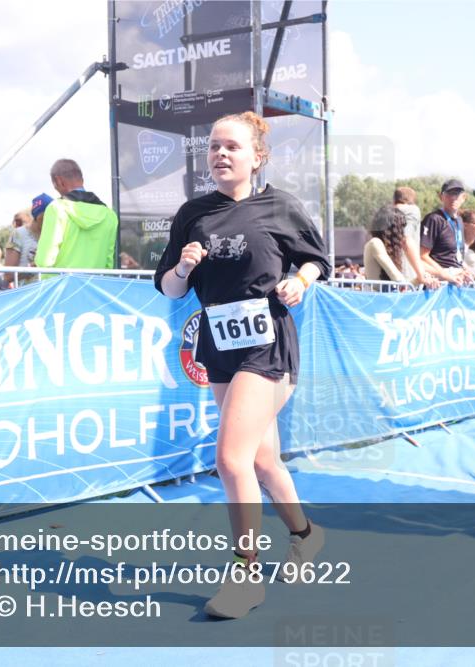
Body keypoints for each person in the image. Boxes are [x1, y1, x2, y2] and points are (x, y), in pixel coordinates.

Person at [154, 111, 331, 620]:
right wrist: (184, 267)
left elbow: (316, 259)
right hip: (220, 346)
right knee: (261, 461)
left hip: (268, 346)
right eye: (213, 147)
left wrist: (303, 281)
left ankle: (246, 572)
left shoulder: (280, 206)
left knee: (230, 458)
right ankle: (305, 535)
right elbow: (170, 287)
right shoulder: (193, 213)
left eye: (232, 146)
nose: (220, 155)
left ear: (257, 156)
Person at [35, 159, 118, 274]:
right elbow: (109, 264)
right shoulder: (110, 216)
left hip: (61, 289)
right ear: (82, 180)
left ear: (59, 181)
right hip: (94, 288)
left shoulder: (56, 208)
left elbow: (44, 260)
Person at [419, 179, 475, 285]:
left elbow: (456, 256)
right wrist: (445, 275)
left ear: (464, 198)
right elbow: (422, 256)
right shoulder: (434, 219)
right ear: (441, 197)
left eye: (457, 194)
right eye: (449, 194)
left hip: (457, 278)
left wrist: (469, 271)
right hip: (440, 282)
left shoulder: (459, 220)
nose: (453, 198)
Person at [388, 187, 438, 288]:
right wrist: (421, 275)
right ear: (412, 200)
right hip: (407, 275)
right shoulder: (412, 210)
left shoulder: (385, 213)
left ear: (394, 199)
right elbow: (406, 239)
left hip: (389, 275)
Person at [5, 197, 49, 285]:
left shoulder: (54, 235)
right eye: (45, 216)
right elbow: (8, 276)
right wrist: (31, 269)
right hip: (26, 294)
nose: (49, 219)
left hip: (49, 294)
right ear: (37, 216)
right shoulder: (19, 234)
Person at [364, 205, 409, 283]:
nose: (402, 233)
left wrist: (421, 279)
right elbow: (399, 280)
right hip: (378, 294)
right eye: (400, 229)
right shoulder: (375, 243)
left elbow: (401, 284)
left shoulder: (377, 244)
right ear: (393, 229)